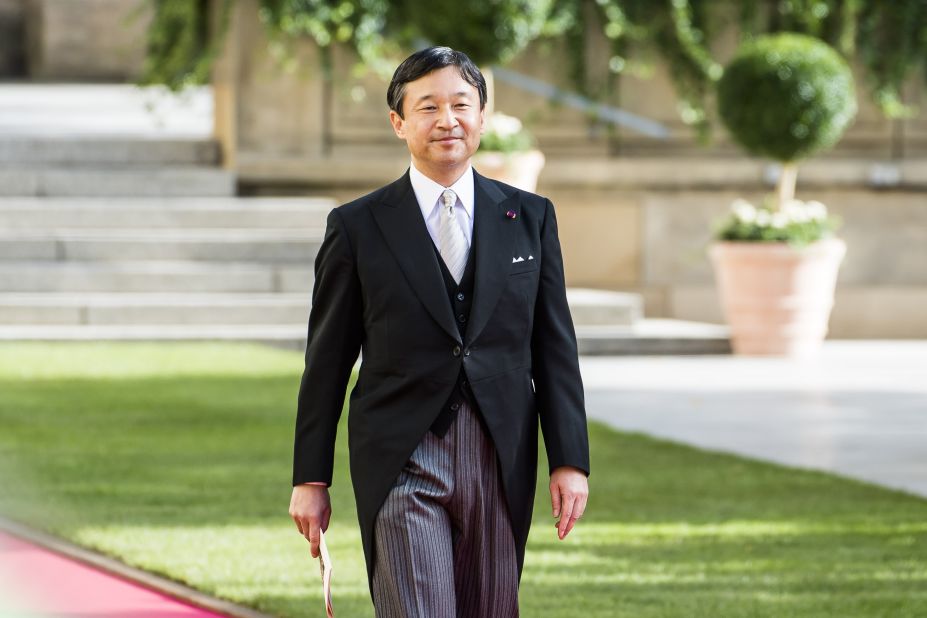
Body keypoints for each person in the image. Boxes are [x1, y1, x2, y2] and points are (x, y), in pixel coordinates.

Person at [289, 46, 590, 617]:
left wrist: (569, 460)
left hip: (501, 454)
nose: (447, 120)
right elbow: (326, 362)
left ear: (482, 115)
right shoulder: (357, 227)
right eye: (428, 107)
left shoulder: (531, 217)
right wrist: (311, 478)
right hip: (401, 454)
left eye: (461, 104)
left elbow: (555, 348)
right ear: (399, 123)